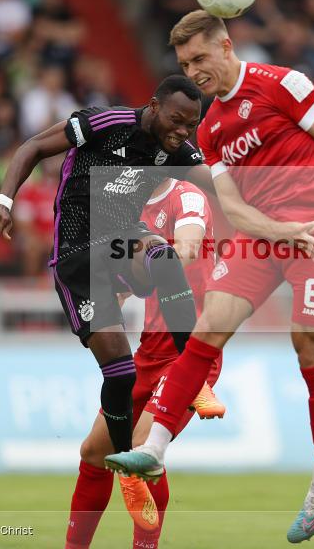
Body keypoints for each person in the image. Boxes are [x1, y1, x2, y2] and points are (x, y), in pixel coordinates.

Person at [104, 10, 314, 544]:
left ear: (226, 46)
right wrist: (276, 229)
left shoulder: (282, 84)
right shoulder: (210, 126)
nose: (194, 70)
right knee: (208, 327)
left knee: (309, 348)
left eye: (200, 58)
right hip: (265, 234)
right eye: (184, 63)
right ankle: (152, 449)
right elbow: (235, 208)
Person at [0, 74, 214, 530]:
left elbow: (224, 188)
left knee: (160, 254)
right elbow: (32, 147)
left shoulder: (179, 151)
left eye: (193, 124)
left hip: (121, 245)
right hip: (77, 260)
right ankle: (127, 463)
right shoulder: (105, 123)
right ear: (155, 106)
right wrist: (5, 199)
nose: (184, 130)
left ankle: (192, 375)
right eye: (178, 119)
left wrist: (279, 219)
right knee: (120, 373)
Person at [66, 177, 223, 549]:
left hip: (192, 351)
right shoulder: (128, 209)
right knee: (94, 452)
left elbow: (186, 247)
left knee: (140, 449)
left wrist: (154, 257)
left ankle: (144, 546)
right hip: (149, 352)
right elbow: (121, 279)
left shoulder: (187, 197)